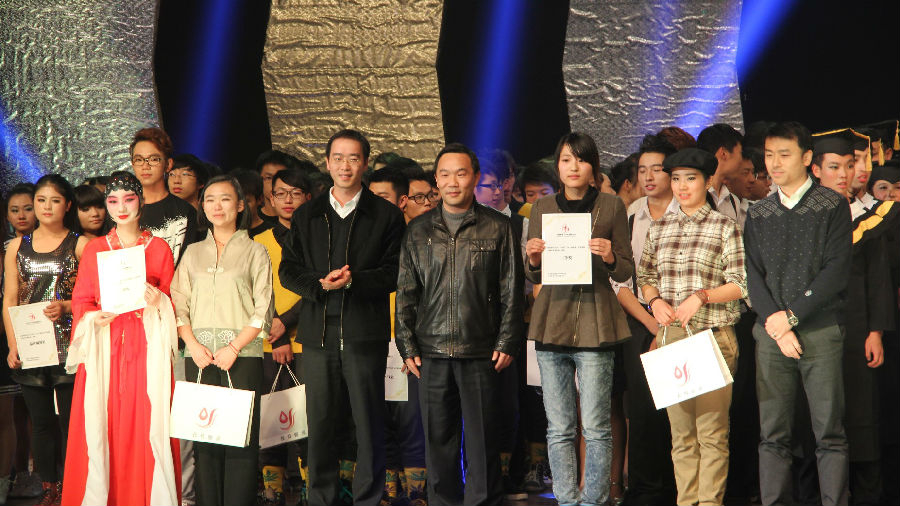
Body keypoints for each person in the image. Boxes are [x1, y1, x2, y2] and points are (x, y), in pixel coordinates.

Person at [279, 129, 405, 506]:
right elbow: (288, 270)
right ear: (327, 163)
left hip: (364, 335)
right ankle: (321, 497)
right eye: (338, 157)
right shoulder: (308, 214)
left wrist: (353, 282)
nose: (345, 165)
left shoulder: (385, 214)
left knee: (368, 422)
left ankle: (368, 497)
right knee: (319, 424)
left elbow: (396, 271)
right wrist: (319, 285)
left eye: (353, 158)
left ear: (365, 163)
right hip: (317, 336)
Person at [395, 142, 524, 506]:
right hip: (430, 351)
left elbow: (511, 290)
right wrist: (406, 344)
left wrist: (507, 340)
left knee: (483, 441)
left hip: (481, 349)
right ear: (436, 181)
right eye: (445, 174)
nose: (453, 182)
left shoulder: (498, 227)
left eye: (461, 173)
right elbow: (406, 293)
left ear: (476, 177)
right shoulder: (418, 230)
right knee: (438, 441)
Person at [744, 121, 852, 506]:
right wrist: (778, 325)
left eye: (784, 155)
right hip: (772, 335)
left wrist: (790, 317)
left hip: (820, 330)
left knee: (829, 433)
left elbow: (836, 271)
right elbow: (752, 275)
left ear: (807, 158)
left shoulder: (832, 205)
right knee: (773, 434)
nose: (774, 163)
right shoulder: (758, 212)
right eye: (769, 155)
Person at [524, 132, 633, 506]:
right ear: (558, 166)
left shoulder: (611, 206)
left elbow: (625, 270)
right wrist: (533, 258)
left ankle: (594, 500)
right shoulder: (542, 208)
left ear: (593, 168)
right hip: (552, 320)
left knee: (597, 426)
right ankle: (567, 500)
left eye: (581, 160)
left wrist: (609, 256)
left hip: (595, 321)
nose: (573, 167)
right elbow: (535, 272)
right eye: (566, 159)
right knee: (559, 427)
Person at [61, 172, 181, 506]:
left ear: (141, 201)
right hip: (106, 343)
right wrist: (92, 316)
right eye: (113, 201)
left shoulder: (159, 248)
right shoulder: (96, 249)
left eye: (129, 199)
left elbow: (173, 300)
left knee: (147, 420)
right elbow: (82, 299)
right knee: (104, 420)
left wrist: (159, 301)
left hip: (147, 345)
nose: (121, 207)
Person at [637, 148, 746, 506]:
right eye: (676, 179)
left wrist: (701, 296)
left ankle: (710, 502)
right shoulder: (660, 228)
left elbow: (741, 283)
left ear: (707, 181)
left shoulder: (724, 226)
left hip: (712, 337)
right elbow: (644, 275)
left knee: (712, 434)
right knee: (681, 436)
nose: (682, 186)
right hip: (672, 339)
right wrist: (655, 301)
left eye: (691, 178)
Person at [171, 175, 274, 506]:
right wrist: (192, 344)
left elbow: (263, 308)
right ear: (202, 206)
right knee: (204, 439)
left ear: (241, 205)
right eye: (210, 199)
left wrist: (234, 347)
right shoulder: (192, 253)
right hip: (198, 356)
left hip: (241, 357)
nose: (217, 206)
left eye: (226, 199)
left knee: (240, 440)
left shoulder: (256, 251)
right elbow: (178, 301)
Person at [809, 130, 897, 505]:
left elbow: (879, 281)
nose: (845, 174)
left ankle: (868, 496)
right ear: (815, 170)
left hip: (858, 329)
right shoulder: (800, 217)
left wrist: (875, 331)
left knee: (861, 414)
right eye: (835, 167)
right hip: (813, 331)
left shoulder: (869, 219)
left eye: (850, 165)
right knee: (818, 418)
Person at [3, 174, 89, 505]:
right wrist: (13, 344)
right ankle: (49, 487)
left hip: (70, 345)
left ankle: (73, 486)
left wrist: (67, 306)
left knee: (70, 423)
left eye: (54, 200)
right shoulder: (16, 247)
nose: (46, 207)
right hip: (32, 345)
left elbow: (95, 296)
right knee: (40, 424)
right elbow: (10, 299)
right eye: (41, 200)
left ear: (67, 205)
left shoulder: (81, 244)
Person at [616, 135, 679, 506]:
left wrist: (668, 323)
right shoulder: (630, 214)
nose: (649, 177)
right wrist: (651, 323)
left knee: (681, 409)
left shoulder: (689, 210)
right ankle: (644, 491)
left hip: (683, 318)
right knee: (642, 410)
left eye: (657, 169)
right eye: (642, 170)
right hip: (641, 320)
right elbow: (620, 284)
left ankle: (680, 488)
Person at [254, 168, 312, 506]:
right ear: (270, 199)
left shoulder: (319, 238)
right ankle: (272, 491)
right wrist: (277, 338)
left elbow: (320, 287)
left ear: (308, 198)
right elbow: (254, 291)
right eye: (281, 193)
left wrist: (286, 324)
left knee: (308, 420)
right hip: (267, 343)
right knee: (272, 420)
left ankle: (309, 489)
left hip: (308, 341)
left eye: (296, 193)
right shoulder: (257, 242)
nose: (288, 200)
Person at [130, 127, 198, 269]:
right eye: (139, 160)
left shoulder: (185, 212)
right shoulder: (122, 211)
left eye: (154, 159)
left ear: (168, 164)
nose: (145, 166)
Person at [696, 123, 746, 227]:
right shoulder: (693, 195)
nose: (742, 161)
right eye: (740, 153)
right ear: (723, 153)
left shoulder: (733, 201)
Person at [254, 150, 305, 222]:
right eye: (269, 178)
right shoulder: (252, 220)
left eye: (281, 177)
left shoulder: (302, 220)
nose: (274, 183)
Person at [232, 169, 274, 238]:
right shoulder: (225, 232)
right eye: (236, 201)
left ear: (260, 199)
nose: (240, 206)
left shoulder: (272, 233)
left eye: (246, 201)